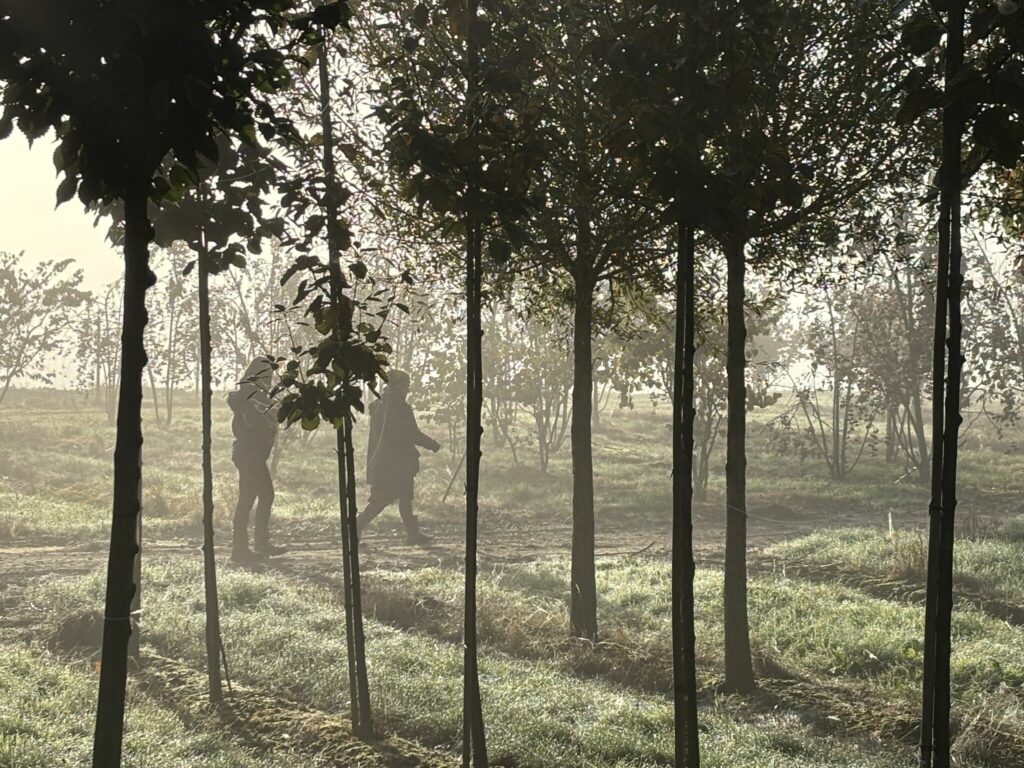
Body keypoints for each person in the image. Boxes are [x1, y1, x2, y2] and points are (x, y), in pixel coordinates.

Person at [358, 370, 440, 544]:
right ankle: (355, 527)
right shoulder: (400, 408)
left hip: (384, 462)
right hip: (398, 463)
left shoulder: (378, 406)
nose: (407, 389)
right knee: (383, 499)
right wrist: (432, 444)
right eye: (406, 385)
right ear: (399, 386)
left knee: (402, 497)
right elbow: (411, 433)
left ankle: (413, 534)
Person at [228, 356, 286, 562]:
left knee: (256, 498)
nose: (269, 380)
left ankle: (254, 545)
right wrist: (272, 417)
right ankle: (243, 549)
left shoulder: (255, 397)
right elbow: (255, 425)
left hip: (252, 455)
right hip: (250, 454)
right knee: (253, 499)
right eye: (266, 376)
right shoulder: (250, 398)